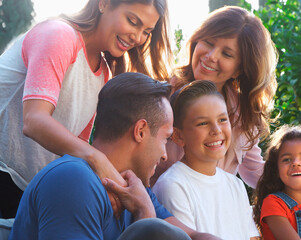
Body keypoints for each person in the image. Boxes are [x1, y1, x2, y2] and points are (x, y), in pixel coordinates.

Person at [0, 0, 172, 218]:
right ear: (104, 4)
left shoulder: (103, 74)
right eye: (132, 21)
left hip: (28, 189)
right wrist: (97, 159)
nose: (137, 38)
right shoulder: (59, 35)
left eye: (146, 31)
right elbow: (34, 120)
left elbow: (74, 147)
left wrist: (107, 184)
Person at [9, 73, 218, 240]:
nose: (165, 155)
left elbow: (192, 237)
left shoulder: (136, 190)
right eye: (166, 138)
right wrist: (146, 218)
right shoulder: (73, 180)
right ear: (141, 131)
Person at [151, 6, 278, 188]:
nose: (211, 56)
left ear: (239, 69)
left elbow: (256, 172)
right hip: (161, 208)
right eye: (209, 42)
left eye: (227, 54)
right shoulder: (160, 96)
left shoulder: (242, 114)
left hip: (212, 211)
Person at [153, 80, 260, 239]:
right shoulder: (173, 185)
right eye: (203, 123)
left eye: (222, 120)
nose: (216, 130)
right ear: (178, 136)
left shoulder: (235, 185)